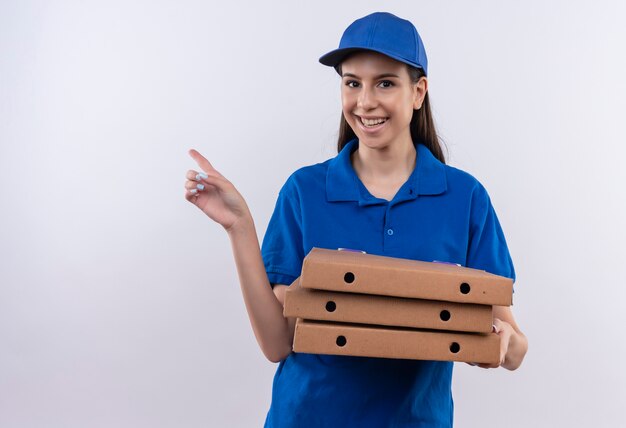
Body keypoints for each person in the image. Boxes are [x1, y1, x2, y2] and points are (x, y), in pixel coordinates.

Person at [184, 11, 528, 428]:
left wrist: (503, 346)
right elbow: (277, 343)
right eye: (352, 83)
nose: (365, 101)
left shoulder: (465, 198)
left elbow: (511, 340)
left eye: (385, 82)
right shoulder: (305, 191)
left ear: (418, 92)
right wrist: (238, 227)